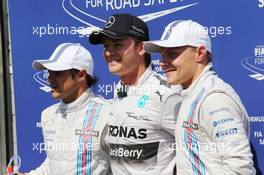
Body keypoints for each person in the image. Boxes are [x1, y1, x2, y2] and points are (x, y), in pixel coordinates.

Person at [144, 20, 256, 174]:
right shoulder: (190, 93)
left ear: (200, 53)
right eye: (162, 55)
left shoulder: (213, 99)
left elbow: (240, 169)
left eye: (172, 54)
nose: (163, 63)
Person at [89, 14, 182, 175]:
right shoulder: (120, 90)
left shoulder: (166, 94)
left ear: (141, 48)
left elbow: (199, 150)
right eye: (106, 46)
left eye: (117, 45)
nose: (109, 53)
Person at [19, 43, 111, 175]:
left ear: (81, 75)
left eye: (58, 73)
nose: (50, 78)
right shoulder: (48, 115)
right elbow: (53, 164)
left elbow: (123, 167)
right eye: (49, 72)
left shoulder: (107, 113)